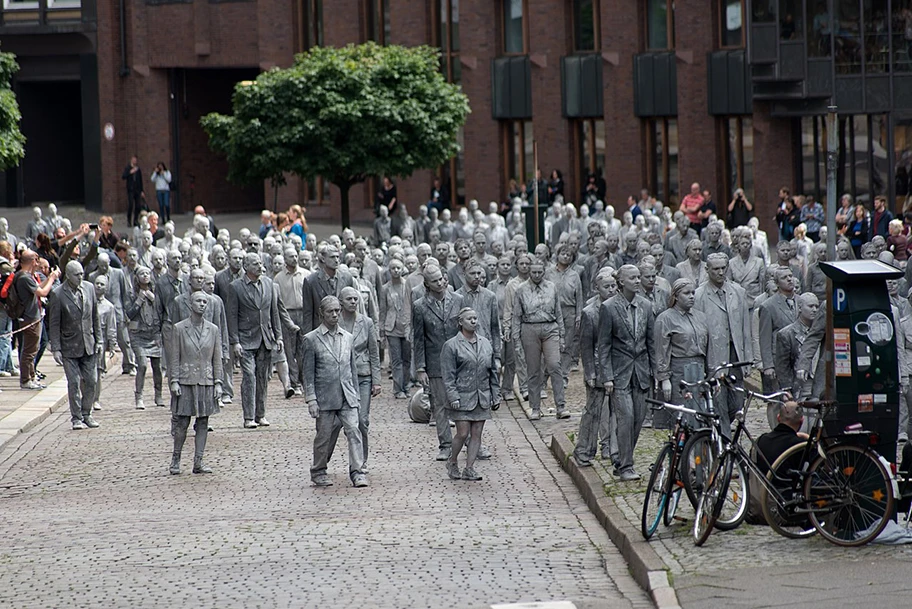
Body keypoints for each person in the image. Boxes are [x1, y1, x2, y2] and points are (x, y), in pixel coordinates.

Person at [598, 265, 655, 481]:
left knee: (638, 419)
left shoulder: (647, 307)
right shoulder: (609, 308)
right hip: (619, 373)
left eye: (639, 277)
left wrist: (656, 373)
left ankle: (621, 458)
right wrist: (607, 376)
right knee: (626, 417)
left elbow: (651, 342)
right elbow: (603, 346)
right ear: (621, 281)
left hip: (640, 372)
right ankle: (626, 467)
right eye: (633, 278)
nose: (638, 281)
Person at [304, 296, 368, 488]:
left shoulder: (347, 338)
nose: (334, 315)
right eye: (330, 311)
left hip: (347, 395)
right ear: (321, 313)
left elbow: (352, 369)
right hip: (324, 397)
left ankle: (357, 471)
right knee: (323, 436)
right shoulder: (311, 339)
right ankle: (319, 470)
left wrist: (356, 395)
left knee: (354, 431)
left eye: (337, 311)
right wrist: (311, 399)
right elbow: (307, 373)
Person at [441, 307, 500, 481]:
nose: (473, 321)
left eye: (475, 318)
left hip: (482, 395)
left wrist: (495, 394)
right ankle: (452, 461)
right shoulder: (451, 345)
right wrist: (453, 396)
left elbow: (493, 372)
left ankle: (469, 468)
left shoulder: (485, 343)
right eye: (469, 319)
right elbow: (448, 374)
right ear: (460, 322)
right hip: (462, 395)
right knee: (462, 432)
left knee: (477, 432)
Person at [169, 291, 223, 475]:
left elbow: (217, 358)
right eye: (198, 301)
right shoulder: (179, 328)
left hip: (206, 381)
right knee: (182, 422)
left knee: (203, 422)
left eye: (205, 302)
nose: (202, 305)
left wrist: (218, 382)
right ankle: (176, 459)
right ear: (190, 304)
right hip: (186, 380)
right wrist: (174, 380)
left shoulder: (213, 329)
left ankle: (198, 461)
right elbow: (174, 357)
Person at [412, 264, 463, 460]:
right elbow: (418, 339)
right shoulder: (420, 306)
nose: (440, 283)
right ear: (426, 284)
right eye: (435, 281)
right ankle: (445, 445)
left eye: (441, 278)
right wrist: (420, 368)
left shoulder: (458, 300)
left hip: (460, 360)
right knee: (439, 404)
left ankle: (469, 440)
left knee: (464, 402)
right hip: (435, 361)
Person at [227, 253, 283, 429]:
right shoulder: (235, 287)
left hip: (265, 338)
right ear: (246, 266)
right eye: (255, 264)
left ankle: (261, 414)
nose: (260, 266)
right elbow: (232, 316)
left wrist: (278, 336)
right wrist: (235, 341)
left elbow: (274, 313)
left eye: (260, 263)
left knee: (262, 378)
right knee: (249, 376)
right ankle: (248, 417)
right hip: (245, 339)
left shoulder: (269, 284)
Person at [48, 261, 102, 430]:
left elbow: (95, 317)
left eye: (82, 274)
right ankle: (76, 417)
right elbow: (54, 323)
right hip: (69, 346)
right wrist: (56, 348)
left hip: (88, 343)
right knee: (73, 382)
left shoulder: (89, 288)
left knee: (92, 381)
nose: (81, 277)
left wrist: (99, 340)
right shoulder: (58, 294)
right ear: (68, 276)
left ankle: (87, 413)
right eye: (77, 274)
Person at [574, 269, 618, 467]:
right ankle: (584, 451)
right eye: (606, 286)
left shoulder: (619, 307)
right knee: (592, 412)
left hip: (617, 367)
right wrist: (590, 373)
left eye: (613, 286)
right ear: (596, 288)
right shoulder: (589, 313)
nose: (611, 290)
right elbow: (585, 345)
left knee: (617, 412)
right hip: (598, 368)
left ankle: (612, 449)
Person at [513, 260, 566, 420]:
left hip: (550, 328)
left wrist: (562, 335)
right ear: (529, 272)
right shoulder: (521, 290)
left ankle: (561, 406)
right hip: (529, 328)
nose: (537, 275)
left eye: (540, 272)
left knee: (554, 365)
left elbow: (558, 312)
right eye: (533, 272)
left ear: (544, 272)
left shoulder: (552, 287)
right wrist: (516, 340)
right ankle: (535, 408)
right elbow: (516, 315)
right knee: (533, 369)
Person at [338, 287, 380, 471]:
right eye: (349, 299)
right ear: (341, 302)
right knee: (339, 423)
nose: (353, 302)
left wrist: (377, 380)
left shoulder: (367, 322)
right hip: (341, 377)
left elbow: (374, 352)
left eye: (356, 299)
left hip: (364, 375)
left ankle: (361, 461)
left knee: (362, 420)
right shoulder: (334, 321)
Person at [14, 250, 58, 390]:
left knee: (33, 348)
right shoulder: (23, 277)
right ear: (32, 261)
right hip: (30, 318)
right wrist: (52, 279)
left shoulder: (27, 276)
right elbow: (42, 292)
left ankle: (32, 378)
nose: (38, 263)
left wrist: (50, 277)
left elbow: (38, 287)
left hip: (34, 316)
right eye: (37, 260)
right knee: (29, 351)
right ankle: (26, 380)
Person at [125, 266, 164, 410]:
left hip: (153, 333)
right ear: (137, 277)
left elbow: (161, 311)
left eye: (147, 273)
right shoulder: (131, 293)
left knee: (157, 367)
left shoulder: (155, 291)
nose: (145, 276)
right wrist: (139, 300)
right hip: (138, 334)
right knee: (142, 365)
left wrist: (155, 301)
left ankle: (158, 395)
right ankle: (139, 396)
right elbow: (129, 314)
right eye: (142, 273)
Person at [380, 257, 412, 399]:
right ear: (389, 270)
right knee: (396, 359)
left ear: (403, 268)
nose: (396, 270)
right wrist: (381, 328)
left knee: (407, 358)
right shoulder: (385, 288)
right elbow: (382, 310)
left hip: (405, 326)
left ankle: (406, 386)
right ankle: (398, 388)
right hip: (391, 327)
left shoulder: (407, 286)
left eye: (398, 267)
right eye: (393, 268)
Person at [122, 155, 146, 227]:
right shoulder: (128, 168)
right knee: (131, 205)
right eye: (133, 160)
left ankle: (135, 220)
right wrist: (130, 172)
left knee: (138, 206)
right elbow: (123, 176)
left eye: (136, 160)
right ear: (131, 160)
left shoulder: (138, 169)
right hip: (131, 190)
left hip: (137, 190)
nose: (135, 161)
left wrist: (142, 190)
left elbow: (140, 180)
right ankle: (129, 221)